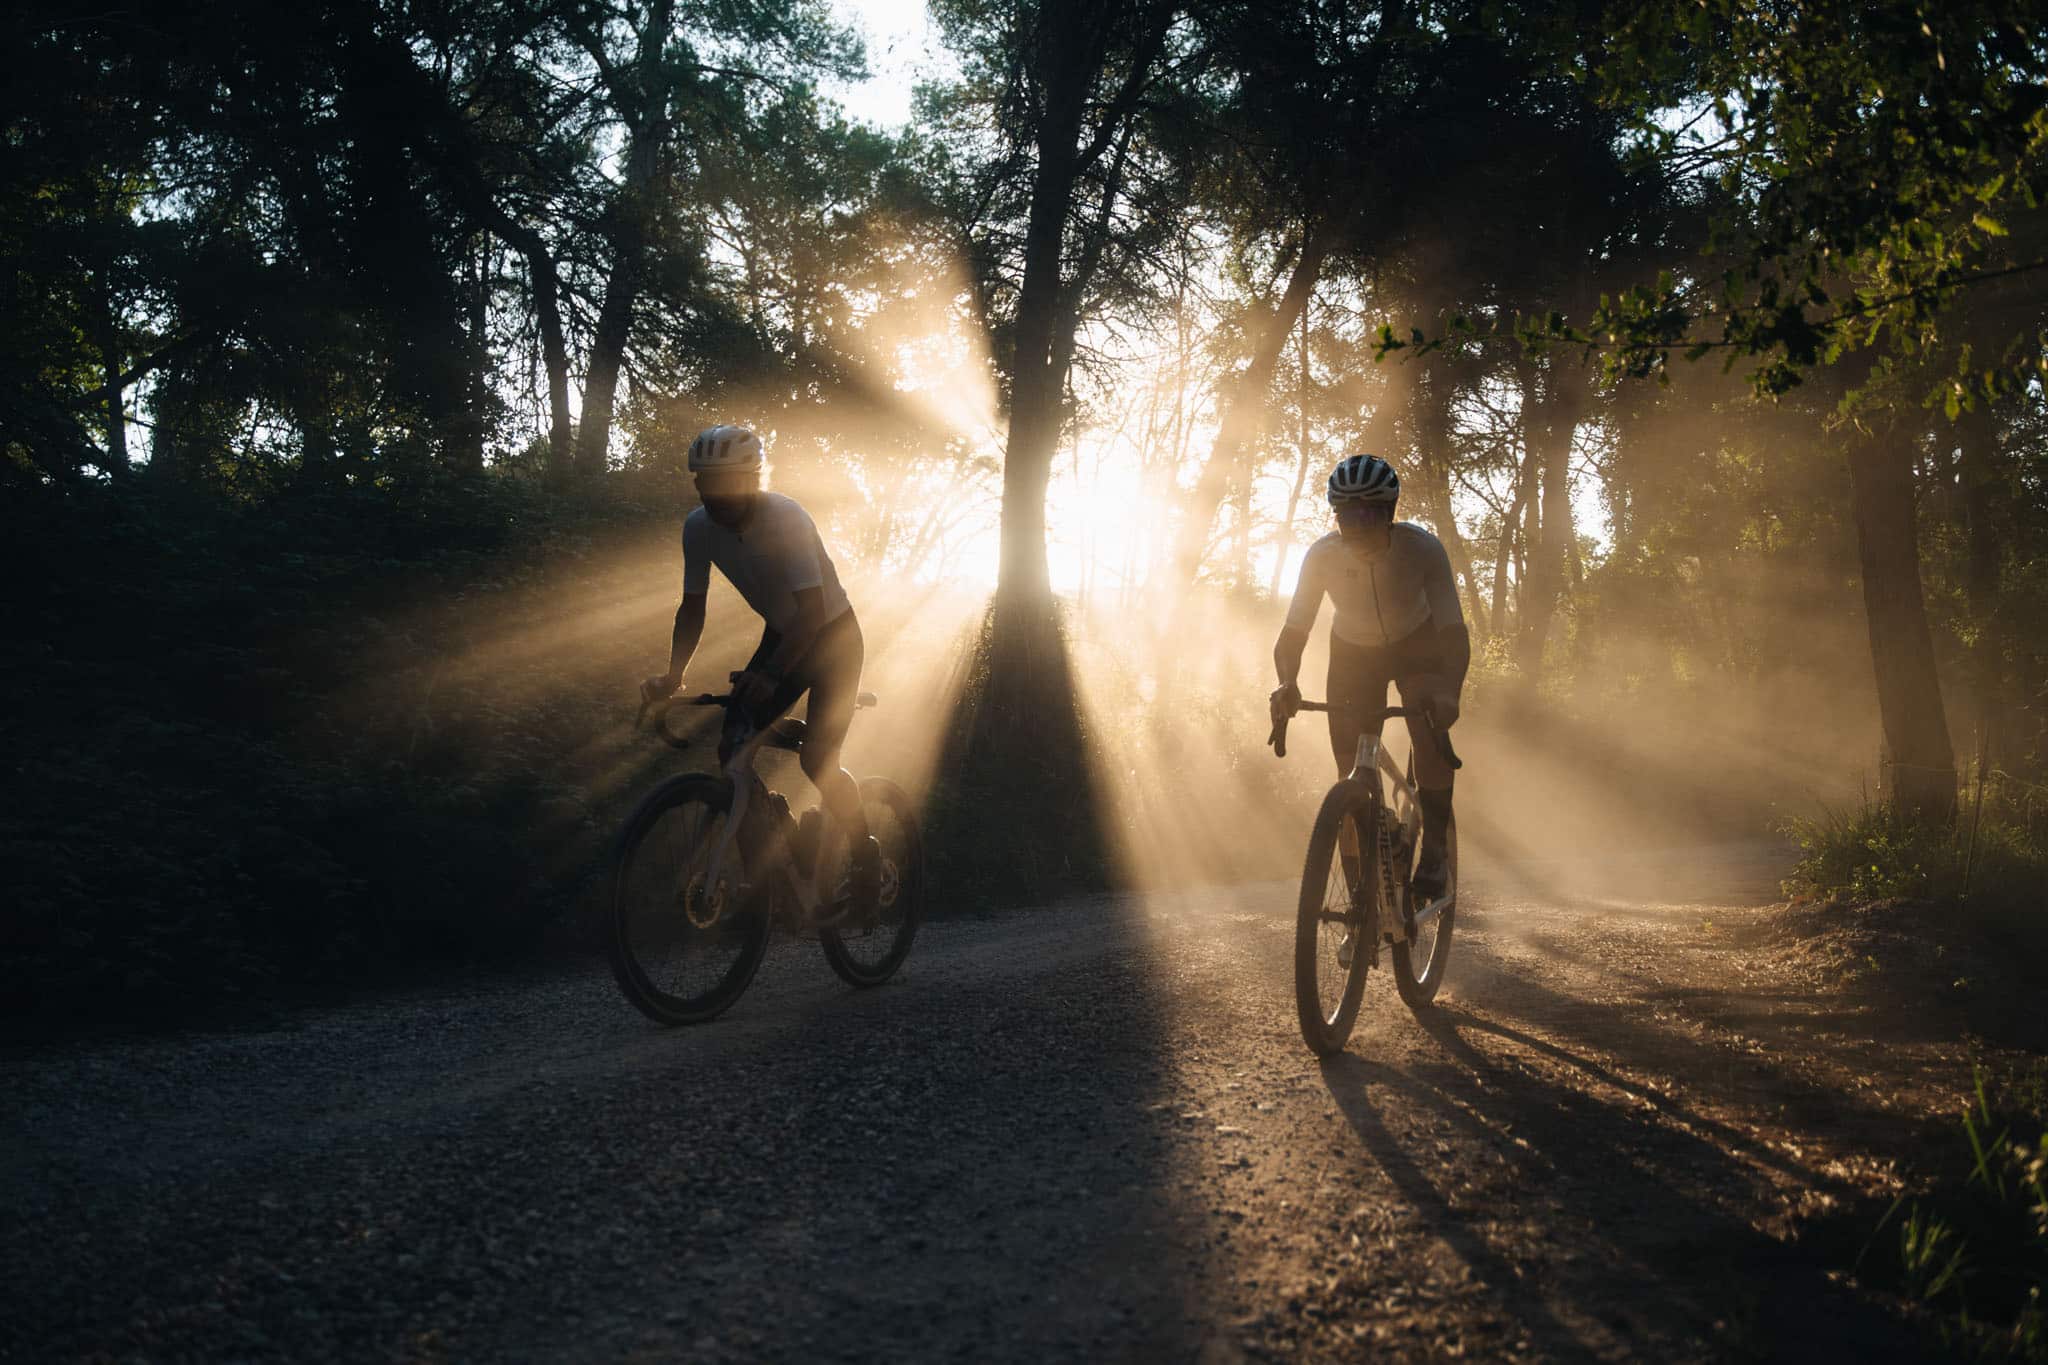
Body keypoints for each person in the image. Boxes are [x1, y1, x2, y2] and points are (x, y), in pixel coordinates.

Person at [641, 424, 879, 912]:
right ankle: (763, 879)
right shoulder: (698, 527)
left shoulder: (786, 517)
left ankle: (866, 858)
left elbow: (812, 615)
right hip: (784, 633)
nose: (715, 496)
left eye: (726, 484)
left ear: (753, 480)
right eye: (705, 484)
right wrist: (673, 674)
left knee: (817, 760)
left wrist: (770, 676)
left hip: (833, 636)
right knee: (733, 748)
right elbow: (692, 608)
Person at [1270, 453, 1470, 905]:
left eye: (1368, 513)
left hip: (1416, 645)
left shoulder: (1423, 549)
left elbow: (1454, 632)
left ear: (1390, 513)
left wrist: (1449, 691)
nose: (1356, 527)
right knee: (1348, 776)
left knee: (1426, 726)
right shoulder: (1321, 556)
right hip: (1354, 654)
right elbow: (1293, 632)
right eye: (1345, 515)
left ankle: (1434, 850)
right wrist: (1286, 682)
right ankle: (1362, 900)